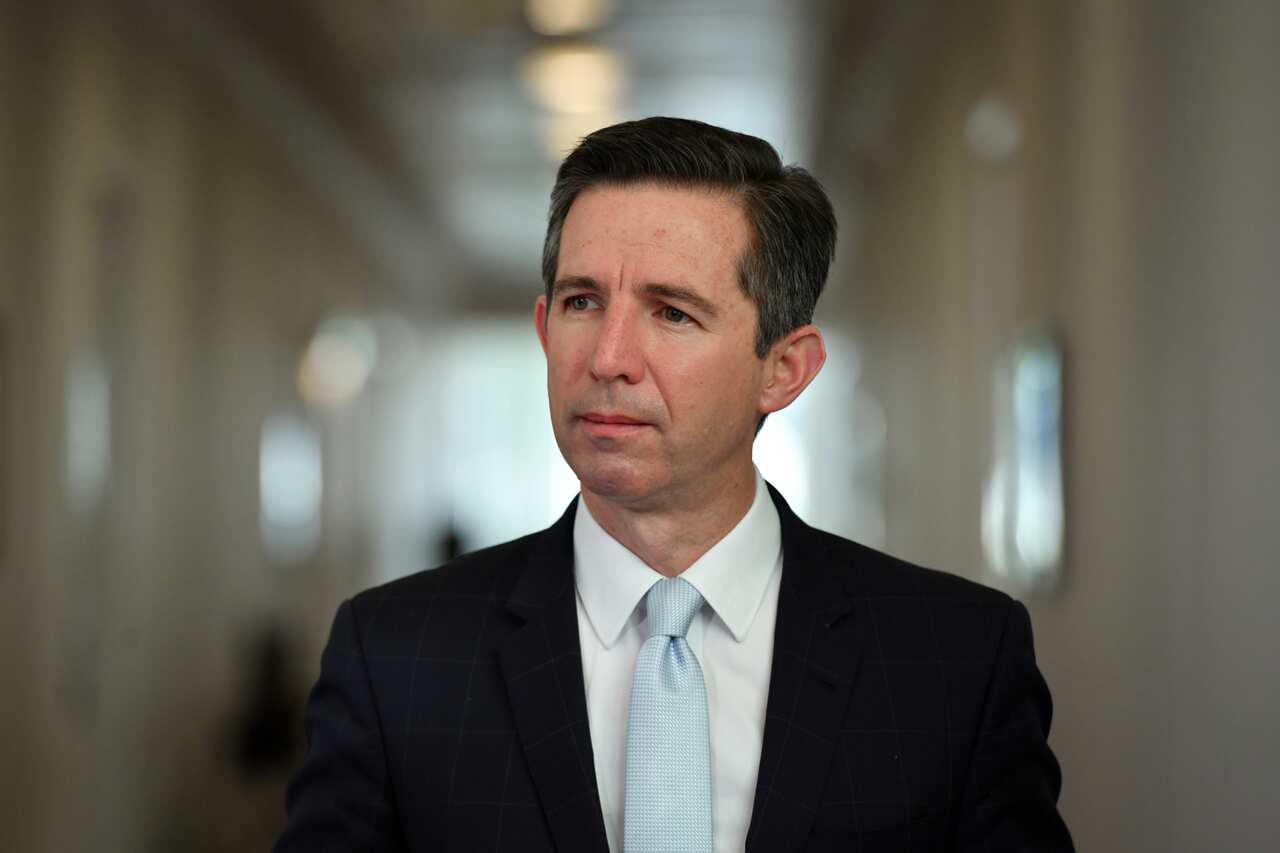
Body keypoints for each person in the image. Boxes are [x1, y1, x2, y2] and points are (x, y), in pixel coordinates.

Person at [274, 117, 1073, 853]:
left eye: (672, 313)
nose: (609, 356)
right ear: (545, 329)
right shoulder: (396, 657)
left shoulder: (955, 662)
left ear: (785, 369)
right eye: (583, 302)